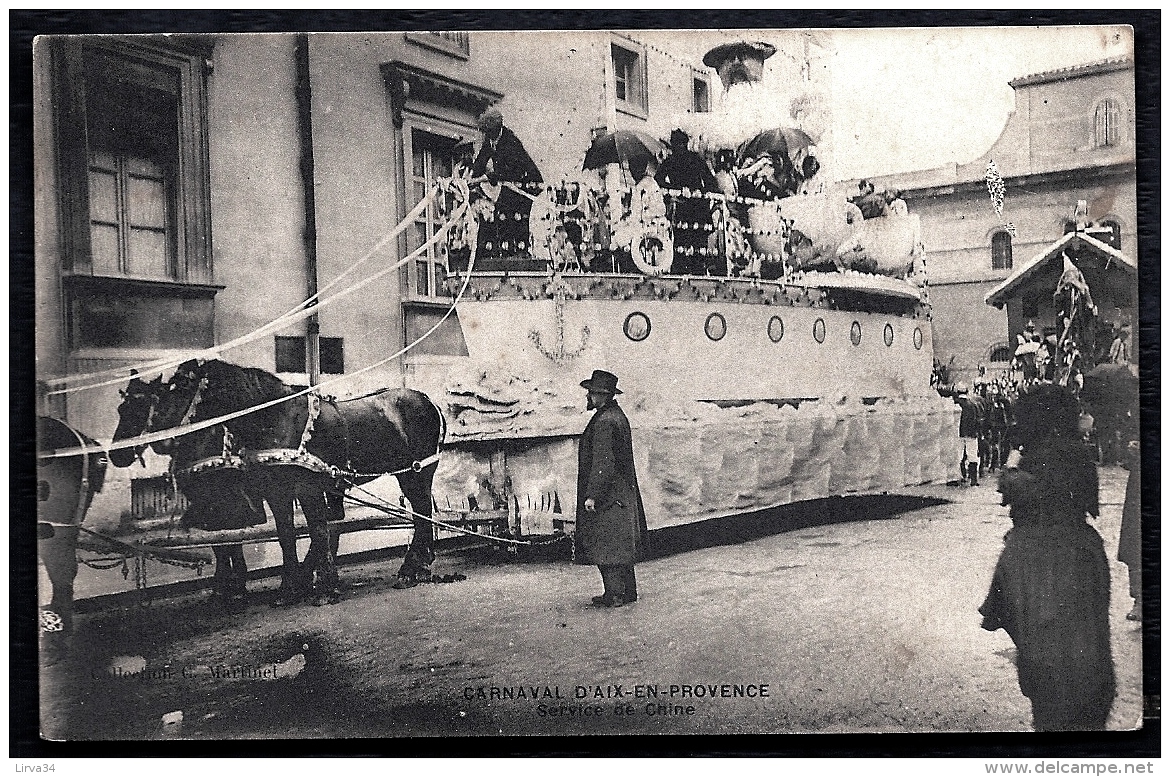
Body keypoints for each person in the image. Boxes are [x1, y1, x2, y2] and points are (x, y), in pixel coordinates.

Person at [979, 384, 1115, 731]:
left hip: (1043, 560)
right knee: (1083, 645)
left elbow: (1020, 492)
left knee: (1046, 652)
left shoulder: (1041, 455)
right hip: (1080, 553)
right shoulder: (1079, 452)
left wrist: (1010, 468)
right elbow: (1088, 504)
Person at [575, 370, 648, 608]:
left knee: (607, 545)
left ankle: (614, 594)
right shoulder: (616, 415)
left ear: (603, 396)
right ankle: (628, 592)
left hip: (609, 495)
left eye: (592, 393)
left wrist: (592, 495)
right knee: (621, 545)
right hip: (620, 493)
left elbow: (603, 463)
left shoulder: (605, 422)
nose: (588, 396)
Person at [471, 107, 543, 260]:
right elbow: (481, 161)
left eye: (489, 132)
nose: (487, 135)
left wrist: (481, 179)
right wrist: (471, 176)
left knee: (516, 214)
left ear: (497, 129)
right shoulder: (490, 140)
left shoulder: (510, 141)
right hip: (510, 182)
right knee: (502, 211)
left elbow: (506, 172)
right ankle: (506, 250)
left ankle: (520, 251)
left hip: (527, 183)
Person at [655, 128, 719, 275]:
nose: (679, 148)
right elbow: (658, 181)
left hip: (695, 208)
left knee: (693, 248)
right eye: (677, 145)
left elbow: (711, 183)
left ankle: (694, 274)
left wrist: (697, 192)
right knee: (684, 247)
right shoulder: (671, 161)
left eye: (681, 144)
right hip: (686, 208)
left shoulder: (693, 159)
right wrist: (675, 190)